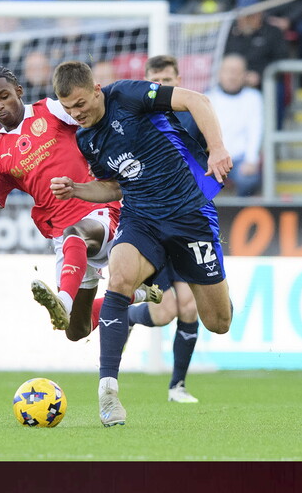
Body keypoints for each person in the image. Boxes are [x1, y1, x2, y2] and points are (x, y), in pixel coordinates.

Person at [50, 61, 234, 426]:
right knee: (117, 278)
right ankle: (108, 391)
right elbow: (115, 186)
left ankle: (139, 298)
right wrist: (77, 189)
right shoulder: (86, 139)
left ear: (97, 89)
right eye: (68, 108)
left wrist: (216, 149)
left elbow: (197, 100)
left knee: (218, 321)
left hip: (189, 217)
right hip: (142, 219)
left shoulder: (128, 95)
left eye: (81, 104)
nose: (76, 113)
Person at [0, 66, 162, 342]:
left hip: (100, 213)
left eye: (4, 96)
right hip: (65, 237)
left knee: (77, 234)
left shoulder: (51, 110)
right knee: (76, 330)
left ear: (19, 92)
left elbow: (95, 115)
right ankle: (137, 294)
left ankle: (63, 300)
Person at [138, 54, 207, 403]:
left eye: (168, 79)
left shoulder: (193, 117)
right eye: (156, 80)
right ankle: (125, 311)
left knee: (190, 307)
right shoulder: (138, 119)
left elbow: (206, 165)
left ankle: (177, 386)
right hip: (151, 222)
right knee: (165, 312)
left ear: (178, 78)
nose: (162, 85)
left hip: (187, 221)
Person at [224, 0, 290, 129]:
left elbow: (281, 58)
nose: (247, 19)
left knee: (276, 89)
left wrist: (260, 74)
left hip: (264, 80)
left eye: (251, 15)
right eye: (244, 15)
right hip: (234, 80)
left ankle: (274, 134)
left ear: (260, 14)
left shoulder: (272, 32)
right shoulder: (230, 33)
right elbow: (224, 58)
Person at [204, 53, 264, 197]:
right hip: (211, 158)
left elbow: (255, 131)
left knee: (248, 179)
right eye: (228, 71)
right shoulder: (207, 98)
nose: (232, 76)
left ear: (244, 74)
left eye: (236, 72)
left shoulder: (254, 98)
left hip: (239, 159)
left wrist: (251, 160)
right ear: (220, 73)